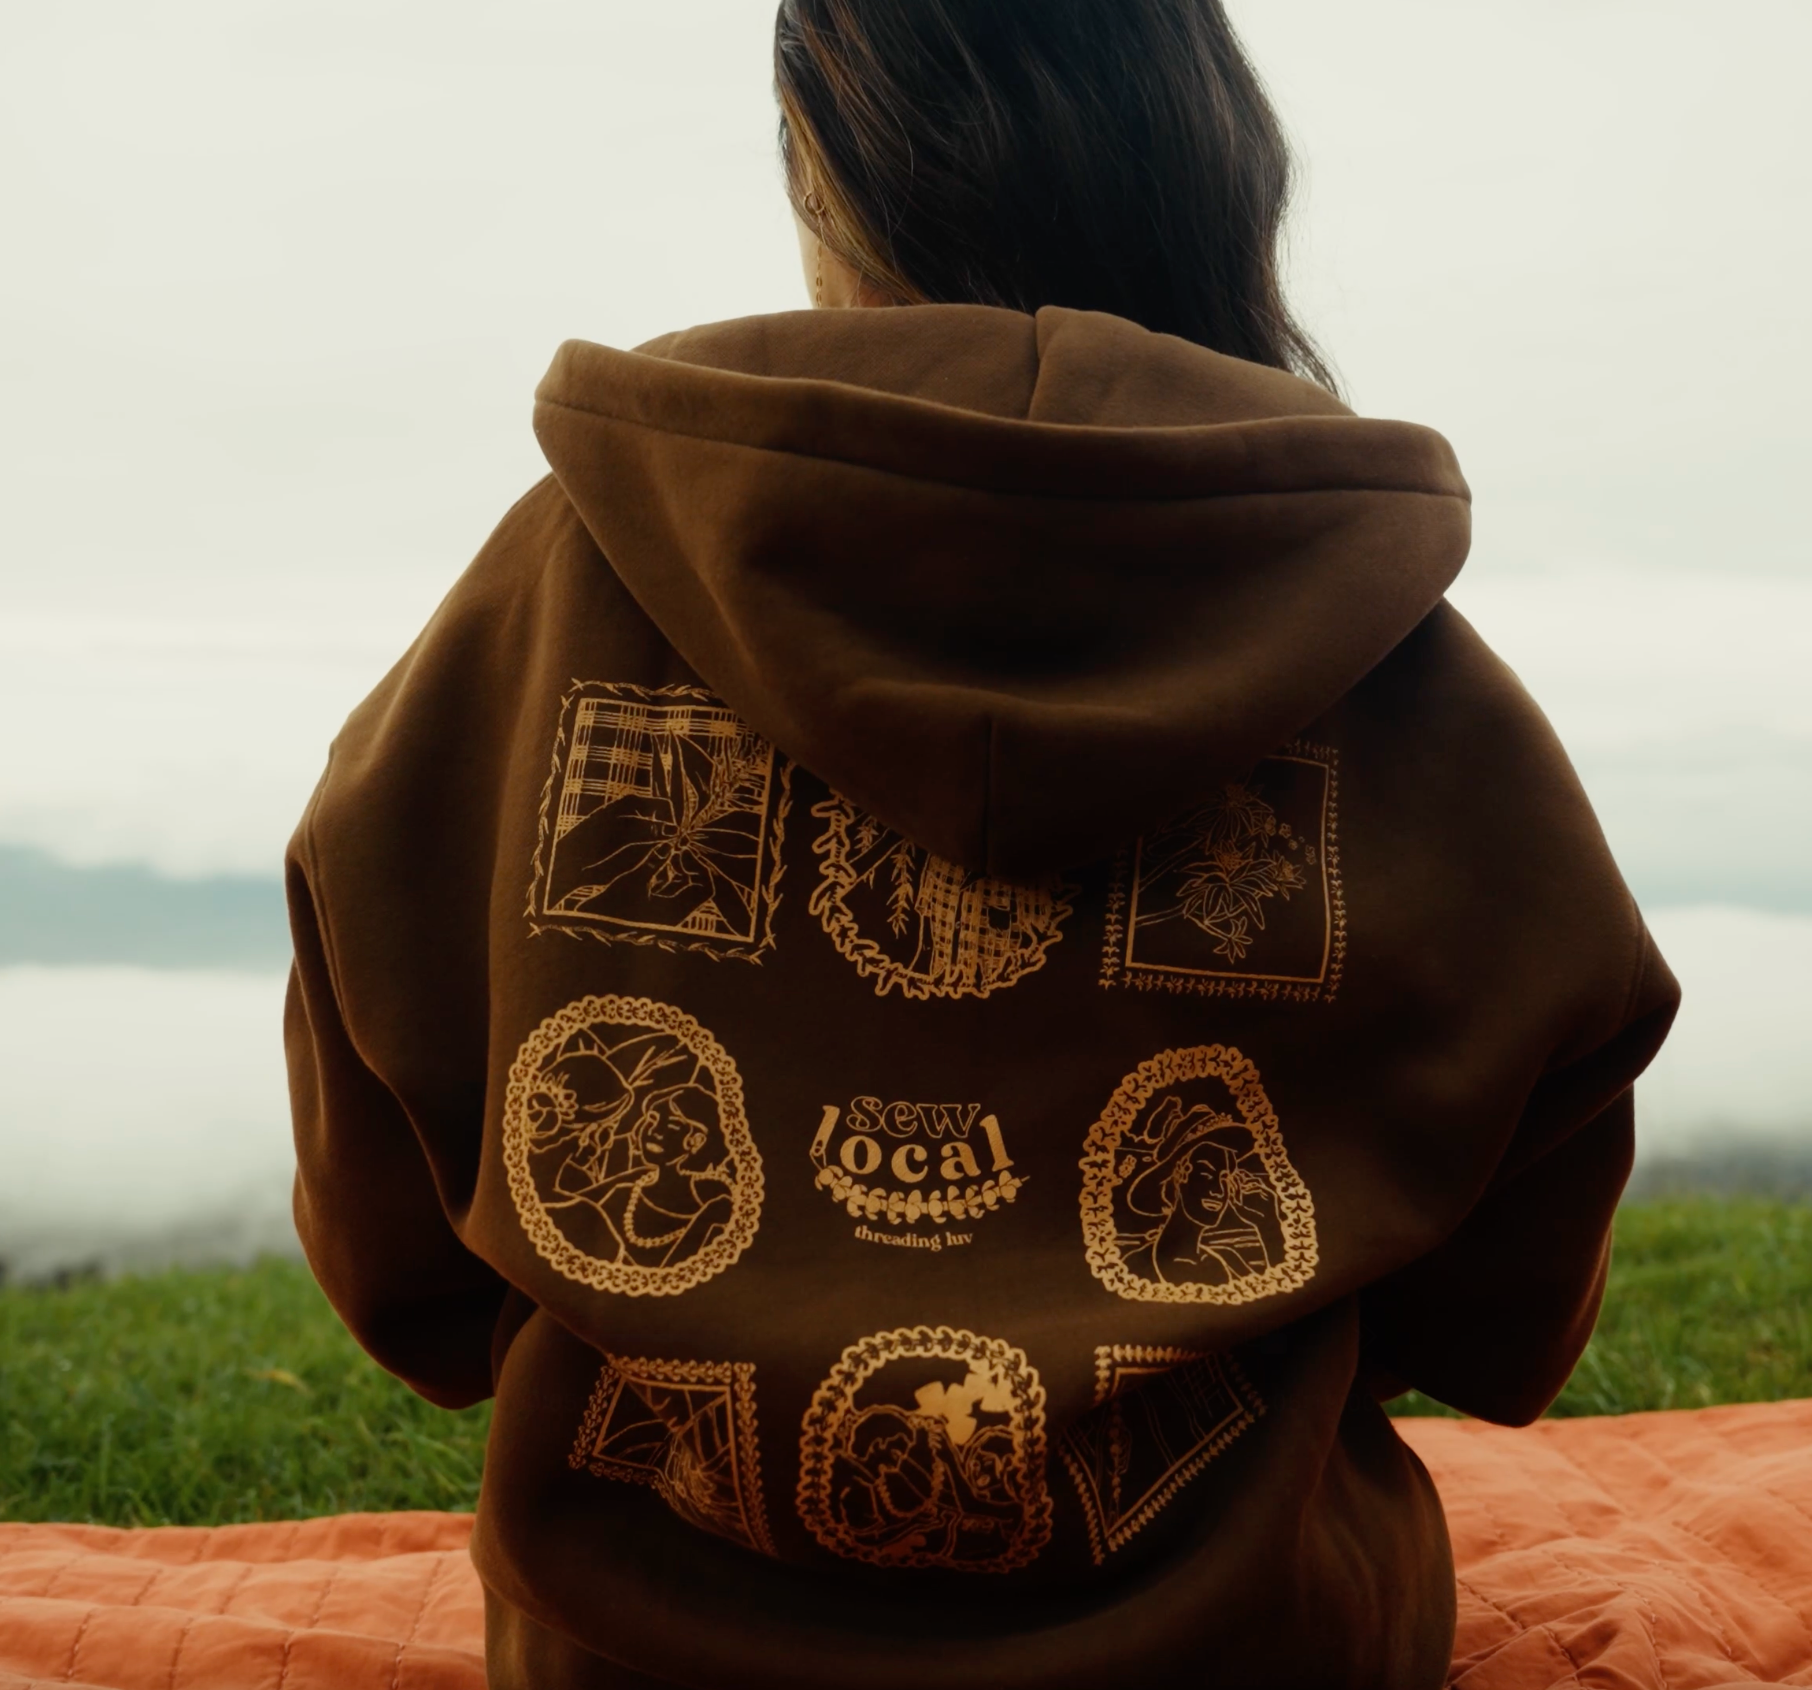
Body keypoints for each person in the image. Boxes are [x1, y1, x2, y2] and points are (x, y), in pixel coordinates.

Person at [284, 1, 1680, 1685]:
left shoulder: (556, 593)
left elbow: (396, 1270)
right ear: (1209, 170)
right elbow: (1513, 1315)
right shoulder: (1398, 670)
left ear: (822, 168)